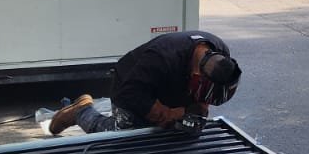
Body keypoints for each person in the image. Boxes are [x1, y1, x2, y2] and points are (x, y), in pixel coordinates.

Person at [48, 30, 241, 136]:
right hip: (130, 85)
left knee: (184, 132)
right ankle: (81, 110)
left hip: (171, 85)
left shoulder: (219, 51)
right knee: (120, 136)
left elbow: (206, 95)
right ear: (197, 76)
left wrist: (197, 109)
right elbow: (130, 95)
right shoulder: (161, 57)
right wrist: (167, 114)